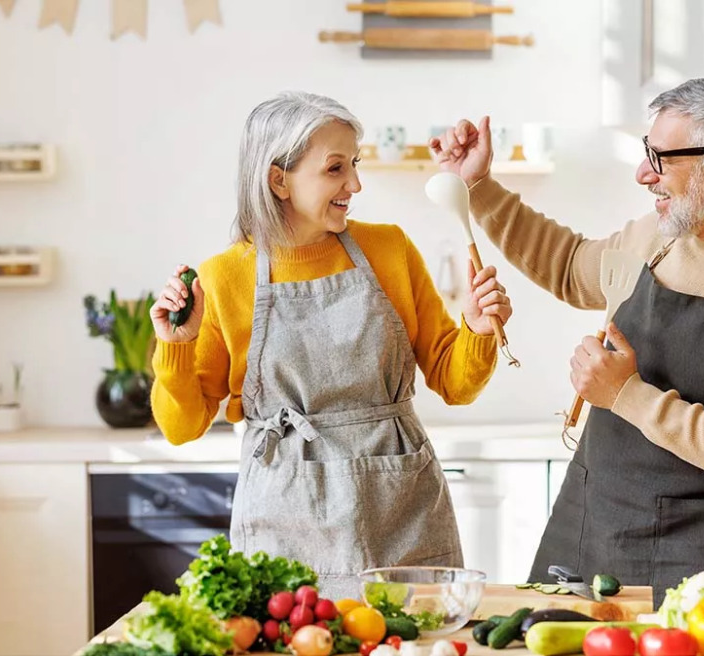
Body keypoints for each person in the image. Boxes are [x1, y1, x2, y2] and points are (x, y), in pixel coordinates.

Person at [429, 78, 704, 605]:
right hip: (586, 529)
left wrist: (626, 395)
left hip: (698, 561)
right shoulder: (661, 235)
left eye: (661, 158)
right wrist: (479, 186)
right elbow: (569, 266)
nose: (643, 174)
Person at [149, 91, 514, 600]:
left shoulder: (389, 249)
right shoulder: (224, 278)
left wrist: (475, 329)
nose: (355, 185)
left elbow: (455, 385)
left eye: (355, 164)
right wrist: (176, 346)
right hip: (285, 526)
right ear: (279, 180)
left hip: (401, 513)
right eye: (336, 168)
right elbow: (181, 427)